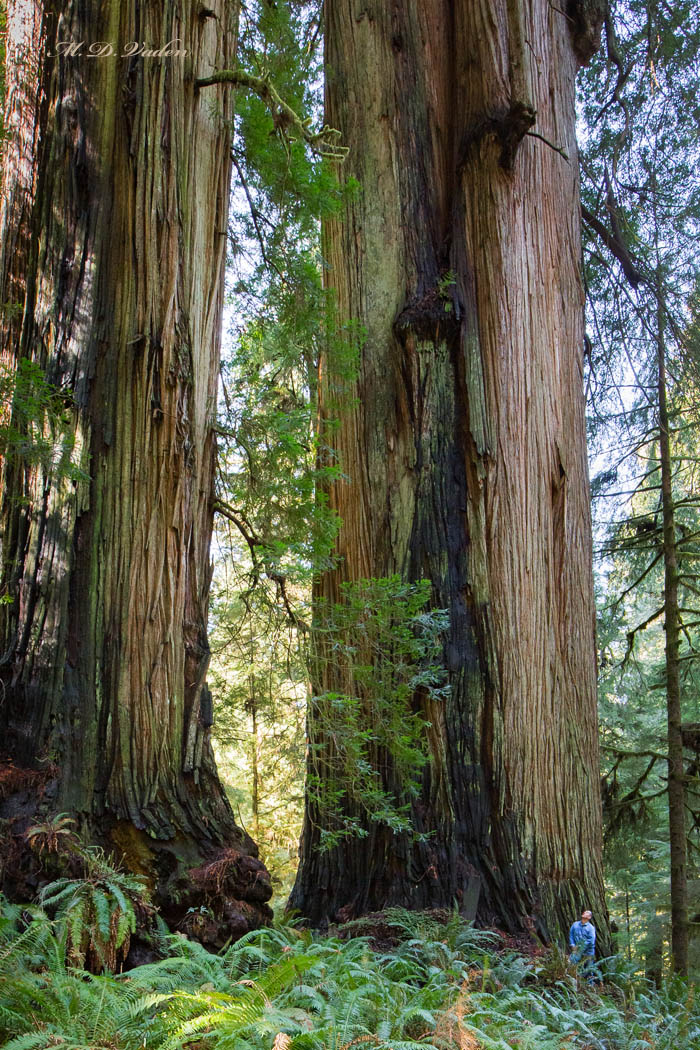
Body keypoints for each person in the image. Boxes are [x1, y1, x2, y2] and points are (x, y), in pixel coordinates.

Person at [569, 909, 598, 983]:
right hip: (576, 950)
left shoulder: (591, 928)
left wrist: (580, 948)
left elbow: (591, 941)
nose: (585, 914)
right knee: (572, 963)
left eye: (587, 914)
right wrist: (572, 944)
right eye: (584, 913)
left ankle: (590, 986)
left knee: (589, 969)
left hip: (588, 951)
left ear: (589, 917)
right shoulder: (575, 924)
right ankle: (573, 982)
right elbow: (571, 935)